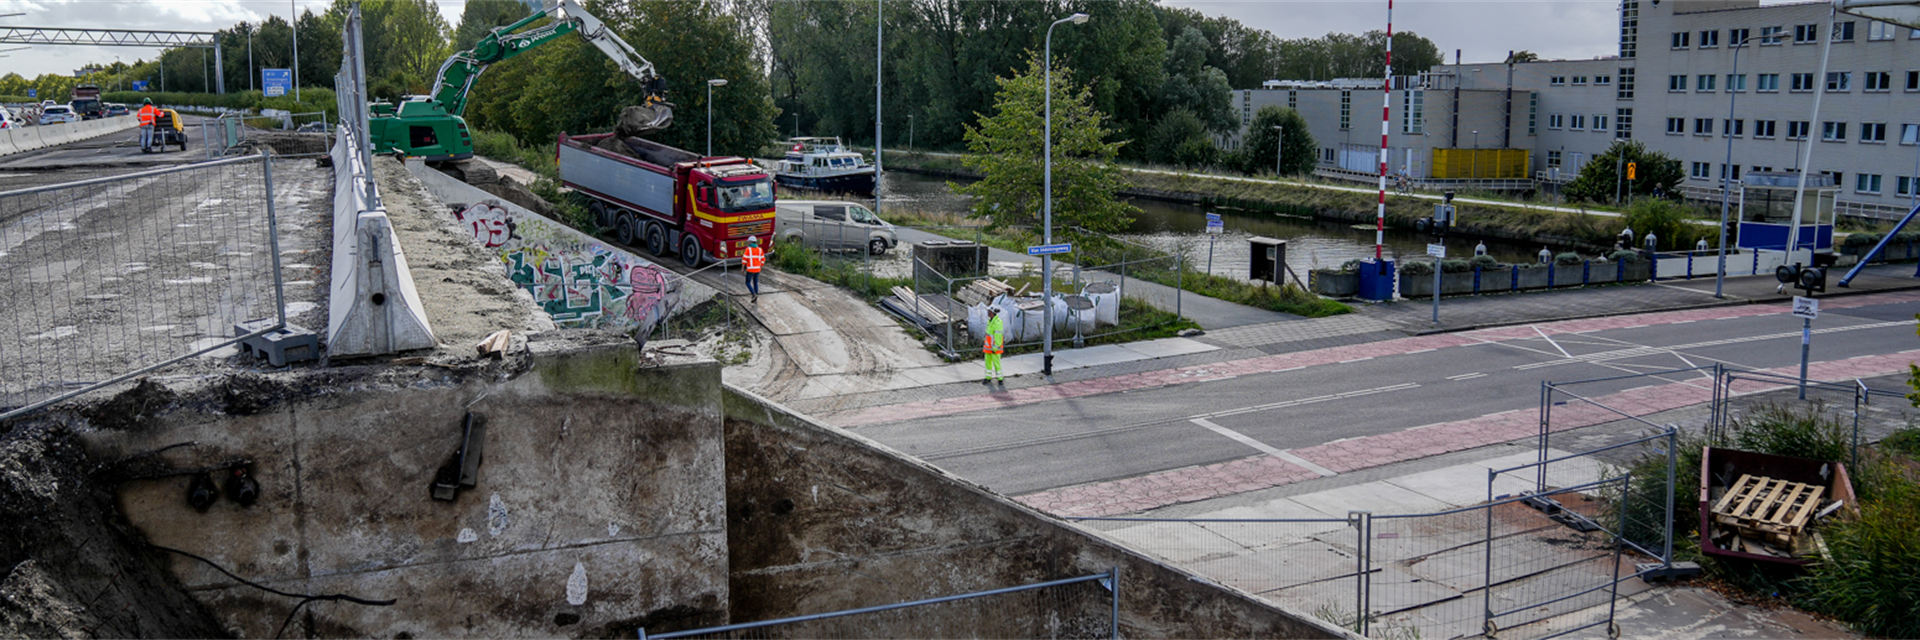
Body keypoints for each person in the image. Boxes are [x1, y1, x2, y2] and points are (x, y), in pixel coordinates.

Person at [982, 307, 1005, 385]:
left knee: (996, 363)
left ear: (992, 313)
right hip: (988, 347)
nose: (987, 312)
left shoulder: (997, 323)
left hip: (994, 348)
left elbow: (998, 336)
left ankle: (1000, 379)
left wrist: (995, 347)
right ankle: (988, 378)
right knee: (987, 363)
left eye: (989, 311)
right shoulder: (990, 321)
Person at [742, 236, 766, 302]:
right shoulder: (760, 249)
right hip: (757, 269)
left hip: (750, 269)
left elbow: (744, 259)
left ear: (750, 241)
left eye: (748, 241)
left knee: (747, 282)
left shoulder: (748, 249)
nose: (748, 242)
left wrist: (743, 268)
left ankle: (753, 294)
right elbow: (763, 259)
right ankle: (756, 295)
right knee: (755, 282)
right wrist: (761, 266)